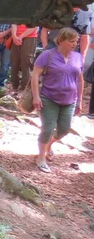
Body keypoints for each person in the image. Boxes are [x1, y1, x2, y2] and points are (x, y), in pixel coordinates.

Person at [32, 28, 84, 173]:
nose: (74, 44)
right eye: (71, 41)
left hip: (69, 100)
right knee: (47, 128)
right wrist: (36, 96)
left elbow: (80, 80)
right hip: (48, 97)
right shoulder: (47, 55)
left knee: (64, 129)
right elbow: (35, 76)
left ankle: (49, 144)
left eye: (76, 41)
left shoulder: (78, 57)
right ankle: (41, 157)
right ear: (61, 40)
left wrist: (79, 100)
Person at [9, 24, 38, 94]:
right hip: (16, 37)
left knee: (26, 63)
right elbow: (14, 24)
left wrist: (21, 36)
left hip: (30, 37)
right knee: (14, 62)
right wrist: (14, 36)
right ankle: (14, 86)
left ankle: (24, 89)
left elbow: (34, 27)